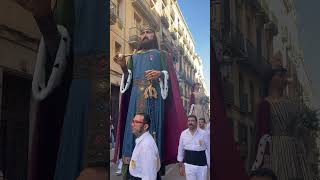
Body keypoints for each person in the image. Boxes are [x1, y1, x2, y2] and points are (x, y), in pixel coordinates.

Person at [13, 0, 107, 179]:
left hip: (93, 114)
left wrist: (101, 164)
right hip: (73, 111)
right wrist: (43, 17)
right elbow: (65, 61)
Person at [113, 25, 187, 178]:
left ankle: (152, 172)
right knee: (133, 129)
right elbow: (128, 77)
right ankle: (131, 170)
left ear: (155, 36)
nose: (145, 35)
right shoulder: (133, 57)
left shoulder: (162, 55)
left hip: (154, 98)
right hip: (135, 97)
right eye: (142, 33)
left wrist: (161, 74)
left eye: (149, 32)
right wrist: (122, 66)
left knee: (153, 131)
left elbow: (170, 78)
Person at [252, 51, 316, 180]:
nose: (284, 79)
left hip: (295, 152)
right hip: (276, 153)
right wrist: (266, 158)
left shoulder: (292, 104)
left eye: (284, 76)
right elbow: (263, 134)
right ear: (271, 79)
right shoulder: (265, 104)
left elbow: (300, 129)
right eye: (280, 75)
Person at [177, 115, 210, 180]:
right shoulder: (183, 134)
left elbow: (209, 148)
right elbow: (180, 150)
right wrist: (180, 166)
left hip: (201, 165)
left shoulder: (204, 134)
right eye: (189, 121)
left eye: (192, 121)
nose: (190, 122)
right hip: (188, 165)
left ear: (196, 122)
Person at [129, 113, 161, 180]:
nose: (132, 125)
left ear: (145, 126)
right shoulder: (142, 140)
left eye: (136, 122)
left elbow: (149, 176)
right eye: (133, 121)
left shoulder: (147, 145)